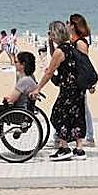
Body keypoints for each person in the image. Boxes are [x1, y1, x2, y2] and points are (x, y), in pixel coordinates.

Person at [32, 21, 85, 161]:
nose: (49, 35)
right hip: (78, 89)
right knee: (76, 117)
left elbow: (50, 72)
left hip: (68, 90)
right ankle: (79, 149)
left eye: (50, 33)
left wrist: (38, 88)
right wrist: (50, 44)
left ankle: (64, 147)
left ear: (55, 34)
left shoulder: (60, 51)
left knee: (57, 115)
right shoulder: (72, 47)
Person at [0, 51, 38, 127]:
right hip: (25, 109)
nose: (14, 64)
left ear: (23, 64)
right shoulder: (31, 77)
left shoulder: (24, 80)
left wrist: (7, 98)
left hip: (18, 113)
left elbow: (11, 100)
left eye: (16, 62)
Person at [67, 13, 96, 147]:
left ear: (73, 26)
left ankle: (90, 136)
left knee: (83, 107)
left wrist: (90, 84)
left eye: (68, 23)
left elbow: (85, 64)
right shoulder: (73, 41)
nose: (67, 25)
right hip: (73, 79)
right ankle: (66, 135)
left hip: (80, 80)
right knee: (77, 107)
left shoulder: (80, 43)